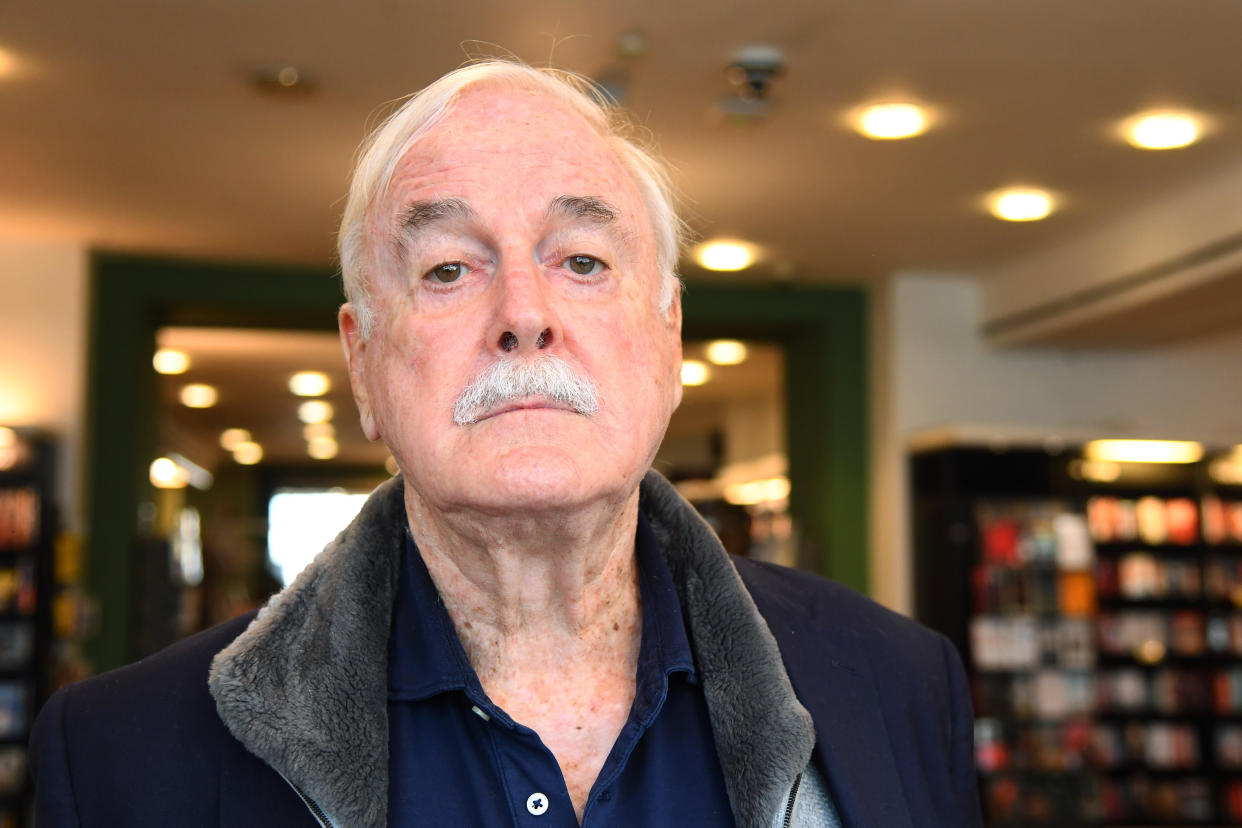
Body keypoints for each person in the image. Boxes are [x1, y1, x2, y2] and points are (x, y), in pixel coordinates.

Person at [29, 60, 982, 827]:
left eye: (581, 261)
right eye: (449, 268)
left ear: (668, 340)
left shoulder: (898, 688)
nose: (524, 314)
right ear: (363, 364)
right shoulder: (123, 756)